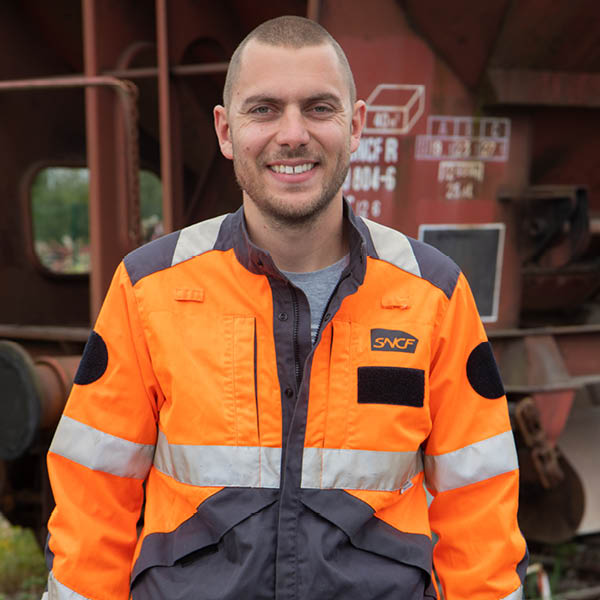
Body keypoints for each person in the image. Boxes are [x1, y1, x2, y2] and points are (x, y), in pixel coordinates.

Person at [43, 15, 527, 600]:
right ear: (226, 131)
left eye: (319, 108)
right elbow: (94, 499)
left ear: (356, 126)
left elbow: (479, 512)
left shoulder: (433, 294)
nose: (293, 134)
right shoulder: (151, 289)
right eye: (264, 109)